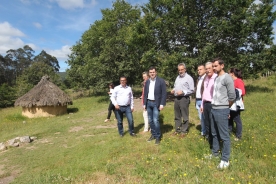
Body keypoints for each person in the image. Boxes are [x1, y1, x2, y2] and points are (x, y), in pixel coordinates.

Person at [208, 58, 236, 169]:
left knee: (224, 136)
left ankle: (225, 159)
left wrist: (226, 108)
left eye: (215, 66)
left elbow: (232, 96)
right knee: (214, 133)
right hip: (213, 108)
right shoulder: (216, 78)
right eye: (213, 66)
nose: (214, 68)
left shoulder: (227, 78)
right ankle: (215, 153)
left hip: (222, 109)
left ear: (222, 66)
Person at [143, 66, 167, 145]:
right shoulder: (147, 82)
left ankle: (158, 137)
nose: (152, 73)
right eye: (150, 72)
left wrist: (162, 104)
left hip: (156, 103)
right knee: (150, 120)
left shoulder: (161, 81)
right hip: (148, 103)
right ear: (149, 73)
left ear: (156, 72)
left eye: (153, 72)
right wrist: (144, 104)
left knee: (156, 120)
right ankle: (153, 134)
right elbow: (145, 94)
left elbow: (164, 93)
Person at [170, 63, 194, 138]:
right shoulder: (177, 77)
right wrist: (173, 90)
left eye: (182, 69)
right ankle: (177, 130)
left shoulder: (189, 78)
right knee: (177, 115)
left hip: (184, 98)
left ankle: (184, 131)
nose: (180, 71)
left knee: (184, 115)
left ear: (185, 69)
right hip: (177, 98)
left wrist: (183, 91)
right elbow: (175, 86)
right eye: (179, 70)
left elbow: (192, 90)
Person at [200, 62, 217, 147]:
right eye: (206, 69)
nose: (207, 70)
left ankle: (215, 143)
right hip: (205, 104)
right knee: (207, 123)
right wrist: (202, 105)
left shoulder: (216, 78)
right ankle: (210, 142)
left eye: (209, 68)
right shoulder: (206, 78)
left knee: (213, 124)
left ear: (213, 68)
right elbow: (204, 93)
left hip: (213, 104)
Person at [228, 68, 246, 141]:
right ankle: (229, 132)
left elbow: (243, 92)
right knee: (229, 119)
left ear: (232, 73)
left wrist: (234, 93)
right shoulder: (231, 81)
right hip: (230, 103)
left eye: (229, 73)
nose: (228, 74)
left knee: (236, 119)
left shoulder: (238, 81)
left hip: (236, 104)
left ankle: (238, 136)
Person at [195, 64, 206, 136]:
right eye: (198, 70)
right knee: (201, 118)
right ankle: (203, 131)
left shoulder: (206, 78)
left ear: (205, 70)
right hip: (198, 100)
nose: (199, 71)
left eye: (200, 69)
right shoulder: (198, 79)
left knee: (204, 117)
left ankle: (205, 132)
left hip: (203, 100)